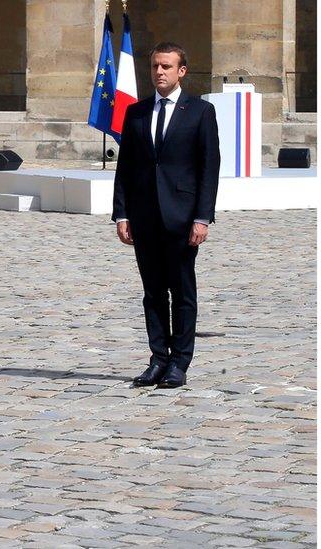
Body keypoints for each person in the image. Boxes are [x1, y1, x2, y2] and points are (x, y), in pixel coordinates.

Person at [112, 42, 220, 389]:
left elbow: (208, 168)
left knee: (182, 291)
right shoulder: (137, 112)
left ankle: (179, 362)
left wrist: (202, 217)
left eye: (167, 67)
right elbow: (125, 166)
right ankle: (158, 358)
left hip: (182, 218)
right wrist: (122, 214)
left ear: (181, 71)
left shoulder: (200, 112)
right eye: (156, 66)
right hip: (145, 218)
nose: (160, 72)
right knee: (153, 292)